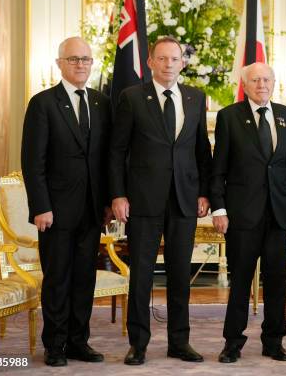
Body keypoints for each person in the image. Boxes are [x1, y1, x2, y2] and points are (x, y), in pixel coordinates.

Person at [109, 36, 212, 365]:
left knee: (181, 273)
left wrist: (205, 192)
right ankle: (138, 344)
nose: (169, 64)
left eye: (175, 59)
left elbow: (201, 151)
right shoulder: (132, 97)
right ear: (151, 62)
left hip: (184, 199)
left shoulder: (196, 98)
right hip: (142, 200)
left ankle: (179, 342)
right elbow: (117, 151)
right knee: (141, 274)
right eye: (162, 59)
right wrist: (118, 194)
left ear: (184, 62)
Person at [21, 36, 112, 367]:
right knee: (58, 278)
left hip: (91, 211)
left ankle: (78, 341)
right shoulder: (43, 103)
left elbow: (106, 159)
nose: (80, 65)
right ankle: (55, 344)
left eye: (85, 59)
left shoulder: (102, 103)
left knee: (84, 278)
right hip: (55, 211)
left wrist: (107, 203)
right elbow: (33, 162)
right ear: (59, 63)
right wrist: (40, 206)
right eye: (73, 59)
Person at [210, 62, 286, 363]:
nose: (261, 84)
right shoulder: (229, 117)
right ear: (245, 84)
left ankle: (274, 341)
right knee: (240, 281)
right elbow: (218, 169)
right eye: (255, 80)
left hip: (279, 214)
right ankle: (233, 343)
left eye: (266, 79)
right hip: (242, 214)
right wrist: (220, 208)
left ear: (274, 83)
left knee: (277, 280)